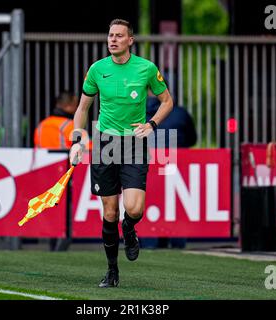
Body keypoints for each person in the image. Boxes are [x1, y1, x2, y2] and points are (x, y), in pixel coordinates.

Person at [69, 19, 173, 288]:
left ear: (130, 40)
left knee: (134, 208)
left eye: (119, 36)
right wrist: (78, 140)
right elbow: (82, 109)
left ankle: (130, 228)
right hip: (105, 143)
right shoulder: (96, 70)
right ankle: (112, 271)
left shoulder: (146, 68)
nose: (113, 39)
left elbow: (167, 101)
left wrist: (152, 124)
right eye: (110, 35)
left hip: (134, 143)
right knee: (109, 212)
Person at [143, 93, 197, 249]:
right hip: (176, 169)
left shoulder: (137, 113)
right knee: (176, 206)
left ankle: (149, 243)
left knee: (149, 204)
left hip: (149, 169)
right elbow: (192, 139)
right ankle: (177, 243)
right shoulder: (180, 113)